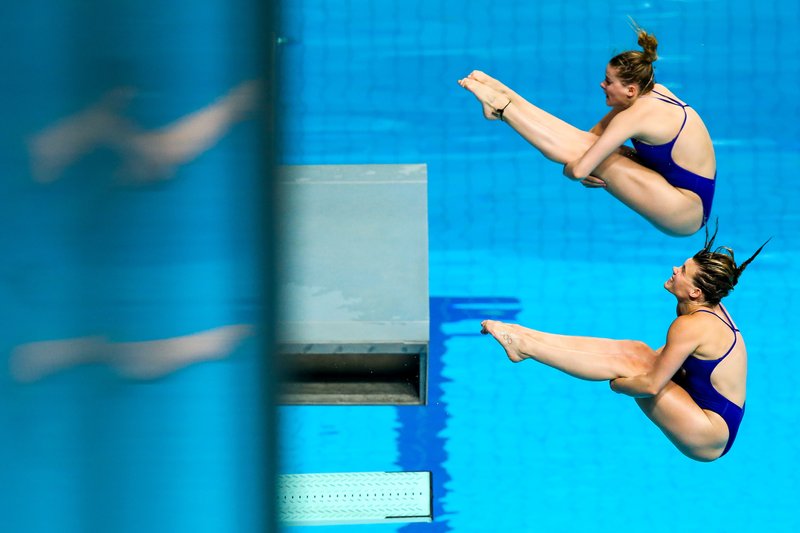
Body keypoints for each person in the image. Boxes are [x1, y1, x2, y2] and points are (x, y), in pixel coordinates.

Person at [480, 225, 768, 461]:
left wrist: (618, 384)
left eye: (683, 270)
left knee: (630, 365)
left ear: (695, 292)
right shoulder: (705, 305)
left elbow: (650, 386)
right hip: (711, 412)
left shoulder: (691, 324)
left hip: (709, 434)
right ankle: (525, 337)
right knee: (636, 350)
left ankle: (526, 346)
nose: (675, 269)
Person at [459, 24, 716, 237]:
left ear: (630, 90)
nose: (602, 84)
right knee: (587, 149)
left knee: (587, 155)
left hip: (684, 213)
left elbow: (577, 170)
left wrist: (577, 168)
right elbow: (590, 138)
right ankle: (505, 97)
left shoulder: (635, 116)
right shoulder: (652, 90)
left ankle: (503, 108)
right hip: (676, 190)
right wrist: (586, 163)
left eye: (609, 81)